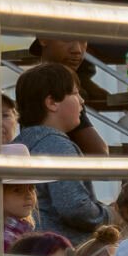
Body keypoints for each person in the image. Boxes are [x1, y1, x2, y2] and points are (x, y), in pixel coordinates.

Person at [13, 63, 108, 241]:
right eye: (74, 93)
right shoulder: (57, 145)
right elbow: (73, 207)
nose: (82, 100)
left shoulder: (21, 144)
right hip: (62, 252)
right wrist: (109, 214)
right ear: (51, 103)